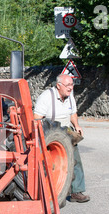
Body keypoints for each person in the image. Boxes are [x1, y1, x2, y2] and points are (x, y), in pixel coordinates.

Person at [33, 74, 90, 203]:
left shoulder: (70, 97)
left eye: (72, 84)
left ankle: (76, 192)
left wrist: (76, 125)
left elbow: (73, 113)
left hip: (66, 131)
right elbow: (37, 118)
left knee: (75, 160)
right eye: (68, 85)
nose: (71, 88)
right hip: (50, 134)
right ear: (58, 86)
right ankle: (50, 192)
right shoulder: (46, 97)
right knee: (51, 164)